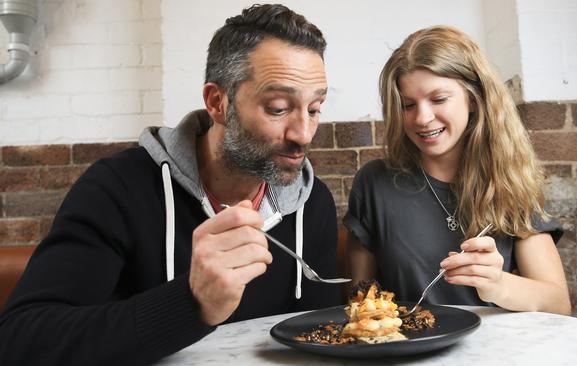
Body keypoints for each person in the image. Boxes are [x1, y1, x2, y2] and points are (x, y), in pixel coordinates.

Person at [0, 4, 342, 365]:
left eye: (315, 108)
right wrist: (191, 301)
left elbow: (318, 341)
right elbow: (20, 339)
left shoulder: (312, 202)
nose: (303, 133)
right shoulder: (118, 189)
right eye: (277, 108)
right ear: (217, 102)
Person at [344, 26, 571, 315]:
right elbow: (359, 303)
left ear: (473, 99)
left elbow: (559, 305)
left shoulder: (508, 179)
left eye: (439, 99)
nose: (423, 118)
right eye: (408, 104)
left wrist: (497, 284)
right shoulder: (374, 182)